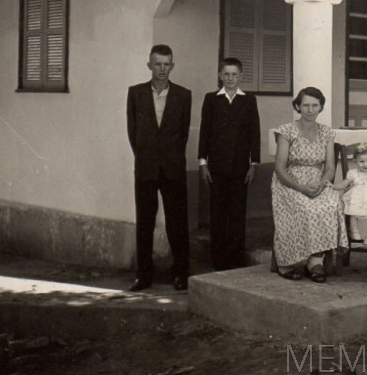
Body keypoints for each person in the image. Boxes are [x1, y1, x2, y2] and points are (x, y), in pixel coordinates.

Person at [126, 44, 192, 292]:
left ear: (172, 66)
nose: (162, 69)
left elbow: (182, 134)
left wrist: (170, 158)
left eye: (167, 64)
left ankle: (181, 273)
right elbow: (133, 132)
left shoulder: (183, 95)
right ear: (149, 65)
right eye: (158, 64)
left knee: (177, 221)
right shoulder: (136, 93)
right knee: (144, 222)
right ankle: (143, 276)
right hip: (145, 168)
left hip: (173, 168)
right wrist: (146, 157)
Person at [270, 87, 347, 283]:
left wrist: (322, 184)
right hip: (289, 182)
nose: (310, 110)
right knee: (305, 207)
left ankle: (315, 260)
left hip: (317, 181)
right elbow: (280, 168)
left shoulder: (326, 133)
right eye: (306, 105)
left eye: (315, 105)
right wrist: (300, 187)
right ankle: (286, 262)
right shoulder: (287, 130)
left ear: (321, 107)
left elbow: (329, 167)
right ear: (298, 106)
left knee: (331, 204)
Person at [198, 57, 261, 271]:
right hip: (216, 168)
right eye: (227, 74)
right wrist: (203, 163)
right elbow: (205, 132)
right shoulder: (211, 99)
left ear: (240, 76)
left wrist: (254, 164)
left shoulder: (248, 100)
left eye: (235, 74)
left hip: (240, 168)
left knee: (237, 213)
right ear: (220, 76)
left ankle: (235, 260)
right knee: (217, 214)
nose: (231, 78)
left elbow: (255, 133)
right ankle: (218, 261)